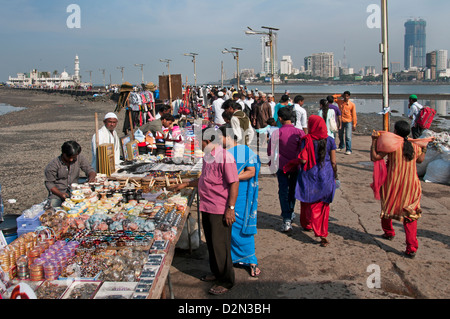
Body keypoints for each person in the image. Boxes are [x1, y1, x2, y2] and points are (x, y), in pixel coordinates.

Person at [169, 127, 239, 295]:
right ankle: (216, 273)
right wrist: (185, 184)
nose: (197, 144)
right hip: (207, 205)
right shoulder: (208, 156)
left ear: (208, 141)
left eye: (199, 141)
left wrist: (230, 208)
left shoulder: (225, 157)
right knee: (212, 243)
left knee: (220, 245)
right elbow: (204, 179)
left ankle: (227, 280)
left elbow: (234, 183)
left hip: (219, 208)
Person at [370, 120, 433, 258]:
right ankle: (411, 247)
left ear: (396, 132)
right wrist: (424, 147)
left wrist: (374, 141)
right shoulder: (414, 146)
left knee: (387, 207)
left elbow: (374, 157)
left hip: (393, 183)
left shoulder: (392, 146)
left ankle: (389, 232)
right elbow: (420, 160)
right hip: (412, 185)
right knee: (411, 215)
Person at [286, 115, 337, 247]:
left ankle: (307, 224)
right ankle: (321, 231)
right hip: (325, 173)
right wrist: (335, 175)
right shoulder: (330, 140)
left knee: (307, 199)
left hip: (309, 173)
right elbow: (333, 161)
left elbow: (303, 159)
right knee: (322, 204)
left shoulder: (306, 140)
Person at [220, 124, 261, 278]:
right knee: (228, 226)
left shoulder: (244, 151)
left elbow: (251, 171)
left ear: (229, 137)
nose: (219, 140)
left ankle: (251, 260)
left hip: (241, 194)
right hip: (225, 193)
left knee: (241, 225)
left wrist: (233, 177)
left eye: (221, 137)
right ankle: (233, 257)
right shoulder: (222, 153)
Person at [268, 107, 306, 232]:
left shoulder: (276, 133)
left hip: (282, 165)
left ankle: (287, 218)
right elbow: (304, 151)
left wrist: (271, 164)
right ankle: (290, 212)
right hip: (296, 166)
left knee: (283, 191)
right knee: (293, 191)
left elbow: (270, 151)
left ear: (279, 118)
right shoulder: (299, 133)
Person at [44, 141, 96, 208]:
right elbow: (49, 184)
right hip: (58, 193)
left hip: (75, 191)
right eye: (69, 157)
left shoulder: (79, 158)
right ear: (63, 153)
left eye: (73, 157)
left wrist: (91, 177)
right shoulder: (53, 166)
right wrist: (61, 194)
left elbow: (89, 169)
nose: (71, 159)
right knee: (53, 207)